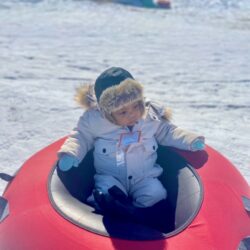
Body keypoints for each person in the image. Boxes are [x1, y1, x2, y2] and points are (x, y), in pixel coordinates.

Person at [57, 67, 205, 223]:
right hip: (111, 176)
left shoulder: (149, 118)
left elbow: (168, 132)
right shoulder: (95, 122)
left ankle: (137, 217)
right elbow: (80, 136)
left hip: (144, 176)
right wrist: (70, 153)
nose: (132, 114)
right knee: (106, 192)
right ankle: (109, 210)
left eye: (136, 106)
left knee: (156, 194)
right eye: (123, 112)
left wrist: (190, 140)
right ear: (107, 112)